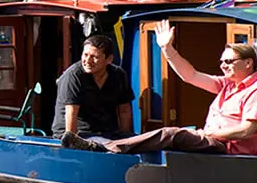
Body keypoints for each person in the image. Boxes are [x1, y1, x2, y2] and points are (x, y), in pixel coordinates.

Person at [62, 20, 257, 155]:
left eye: (229, 61)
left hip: (229, 150)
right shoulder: (227, 85)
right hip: (212, 140)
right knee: (173, 137)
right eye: (222, 61)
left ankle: (105, 149)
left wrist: (208, 134)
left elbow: (246, 131)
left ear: (248, 63)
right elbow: (190, 75)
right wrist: (167, 49)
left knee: (171, 134)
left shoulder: (254, 91)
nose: (223, 65)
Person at [51, 35, 134, 141]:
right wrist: (71, 143)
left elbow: (124, 110)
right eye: (85, 55)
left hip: (106, 133)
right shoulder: (73, 76)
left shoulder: (118, 75)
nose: (87, 61)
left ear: (109, 59)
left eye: (94, 57)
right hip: (78, 133)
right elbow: (71, 112)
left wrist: (126, 139)